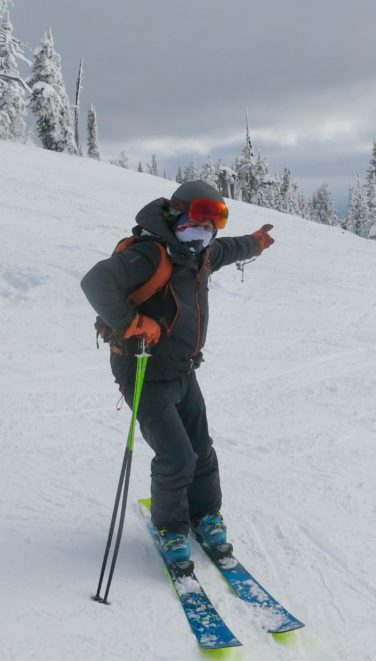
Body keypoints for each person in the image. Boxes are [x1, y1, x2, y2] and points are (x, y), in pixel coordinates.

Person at [81, 180, 274, 563]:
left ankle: (205, 515)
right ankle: (170, 528)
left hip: (184, 370)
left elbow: (229, 248)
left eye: (214, 221)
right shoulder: (151, 254)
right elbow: (96, 282)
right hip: (144, 373)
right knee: (177, 457)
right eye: (200, 217)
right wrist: (132, 321)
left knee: (201, 449)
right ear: (177, 213)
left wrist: (256, 241)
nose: (206, 229)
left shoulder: (198, 253)